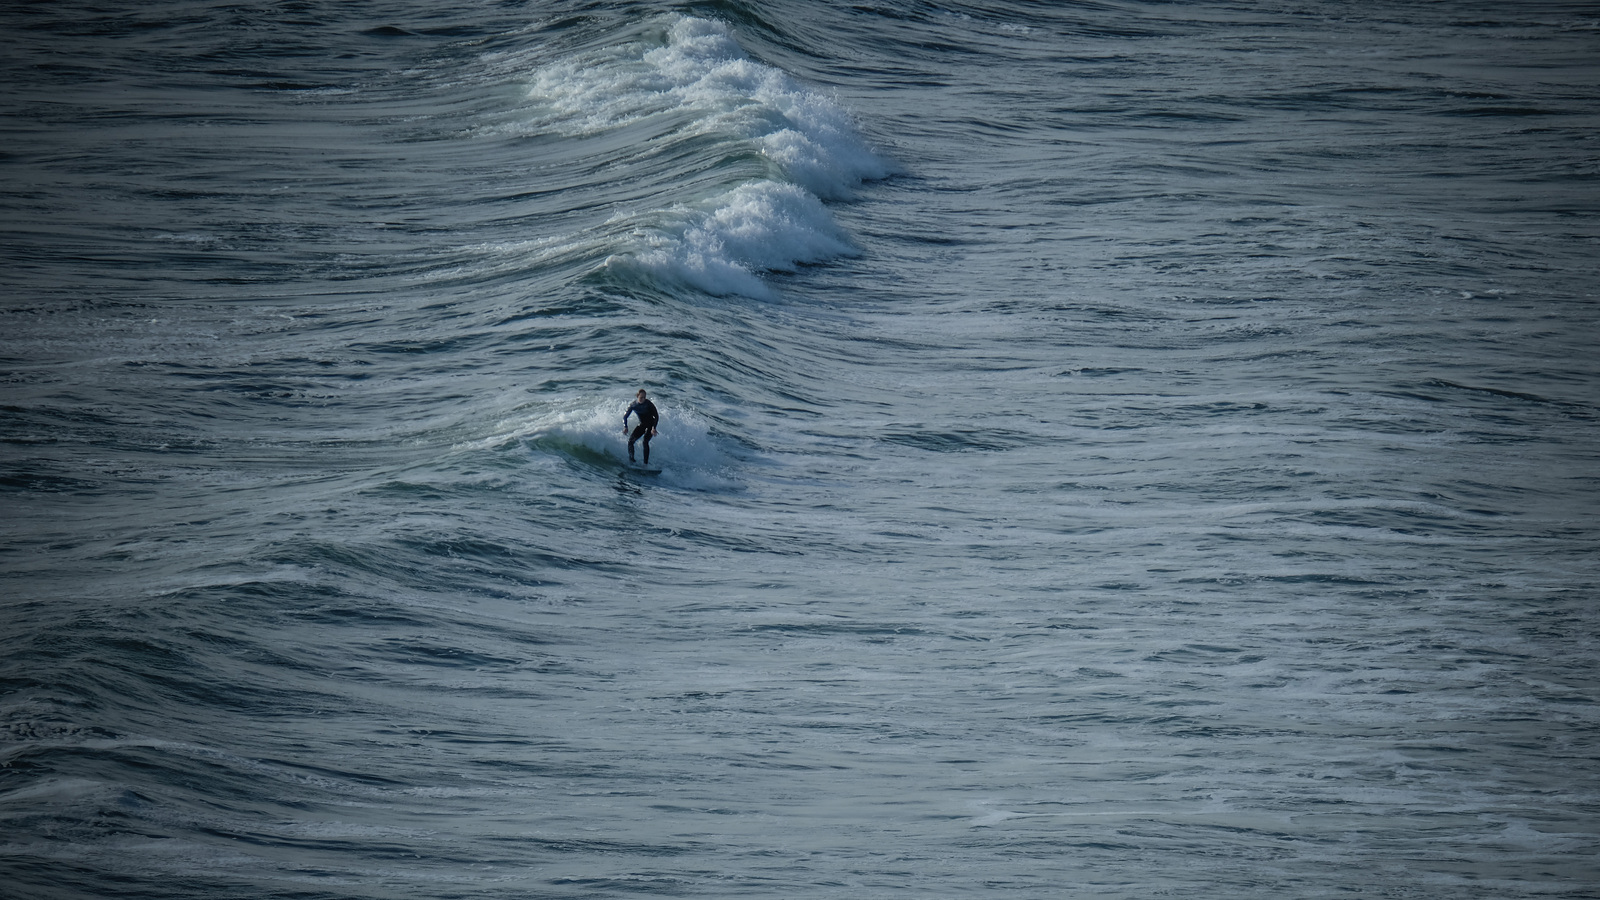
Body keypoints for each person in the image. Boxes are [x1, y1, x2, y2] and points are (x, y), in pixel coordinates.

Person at [622, 389, 659, 464]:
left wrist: (653, 428)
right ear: (637, 396)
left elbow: (656, 416)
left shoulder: (648, 404)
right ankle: (632, 460)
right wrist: (625, 427)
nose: (643, 399)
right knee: (630, 441)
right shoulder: (633, 405)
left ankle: (645, 464)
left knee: (645, 441)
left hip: (651, 425)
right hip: (642, 424)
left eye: (644, 397)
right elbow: (625, 417)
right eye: (641, 397)